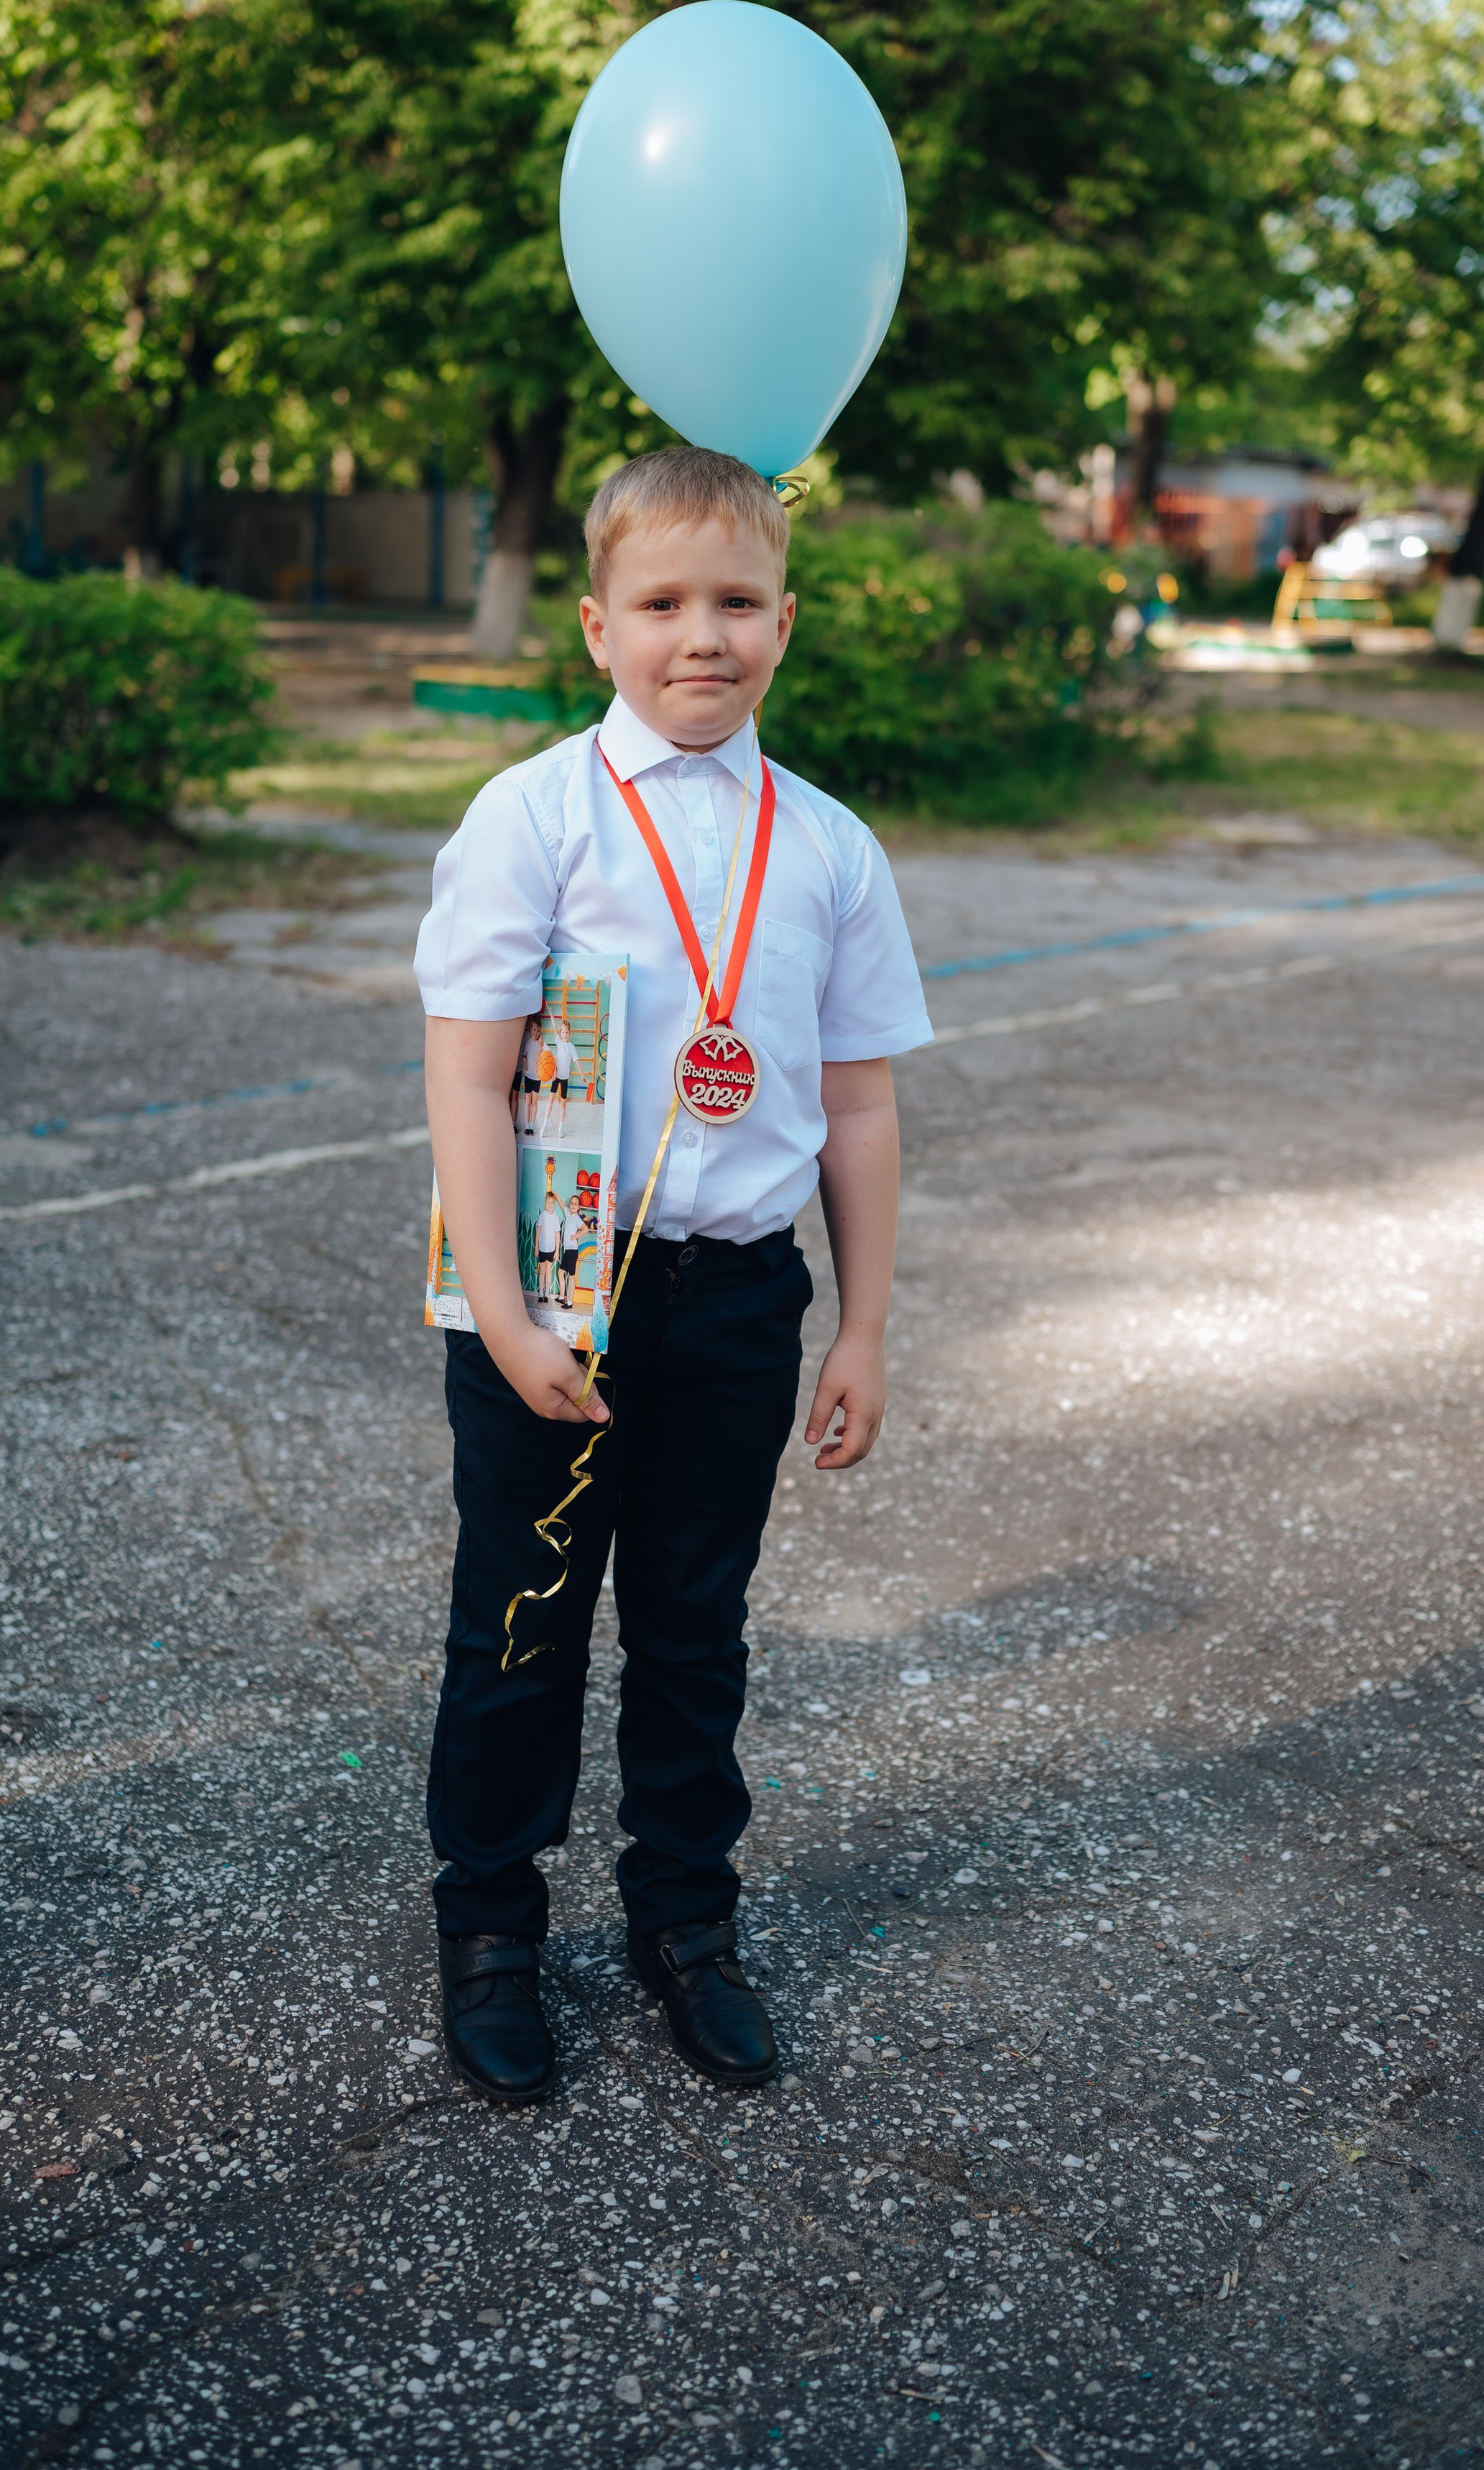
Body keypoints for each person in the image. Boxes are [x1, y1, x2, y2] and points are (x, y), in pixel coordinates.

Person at [415, 445, 931, 2106]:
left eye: (730, 601)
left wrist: (857, 1319)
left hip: (734, 1296)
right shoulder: (534, 816)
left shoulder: (830, 846)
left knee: (694, 1627)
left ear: (783, 619)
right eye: (659, 602)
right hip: (560, 1280)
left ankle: (684, 1922)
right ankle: (490, 1926)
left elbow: (854, 1096)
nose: (694, 635)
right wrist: (502, 1308)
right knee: (519, 1620)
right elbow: (466, 1078)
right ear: (594, 625)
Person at [532, 1165, 563, 1302]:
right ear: (545, 1203)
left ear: (554, 1204)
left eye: (552, 1203)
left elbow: (558, 1236)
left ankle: (547, 1293)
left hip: (551, 1249)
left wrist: (557, 1251)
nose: (550, 1204)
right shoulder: (542, 1216)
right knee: (542, 1271)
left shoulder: (556, 1218)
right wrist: (536, 1247)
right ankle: (540, 1294)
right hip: (542, 1248)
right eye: (548, 1202)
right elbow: (538, 1233)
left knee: (549, 1271)